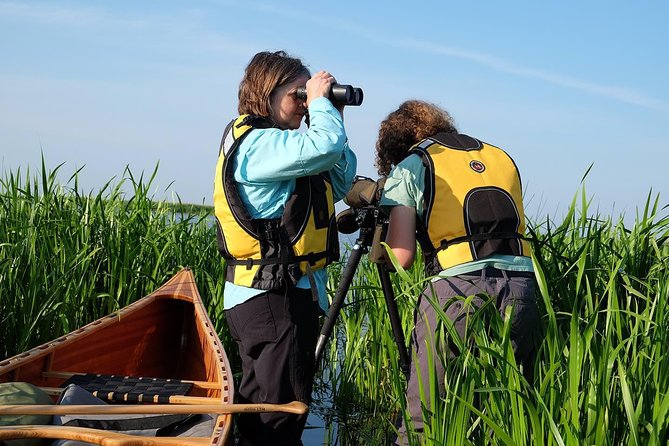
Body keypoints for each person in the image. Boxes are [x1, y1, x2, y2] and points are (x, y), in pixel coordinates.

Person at [213, 51, 357, 445]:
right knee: (279, 417)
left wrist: (331, 114)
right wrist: (324, 109)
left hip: (276, 298)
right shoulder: (257, 144)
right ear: (266, 93)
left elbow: (339, 181)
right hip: (272, 299)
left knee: (266, 409)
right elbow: (325, 148)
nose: (307, 103)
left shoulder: (285, 150)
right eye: (300, 95)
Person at [376, 100, 541, 443]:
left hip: (458, 291)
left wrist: (383, 220)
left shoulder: (413, 165)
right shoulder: (500, 156)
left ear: (396, 145)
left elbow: (401, 257)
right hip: (524, 290)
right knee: (505, 411)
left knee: (425, 420)